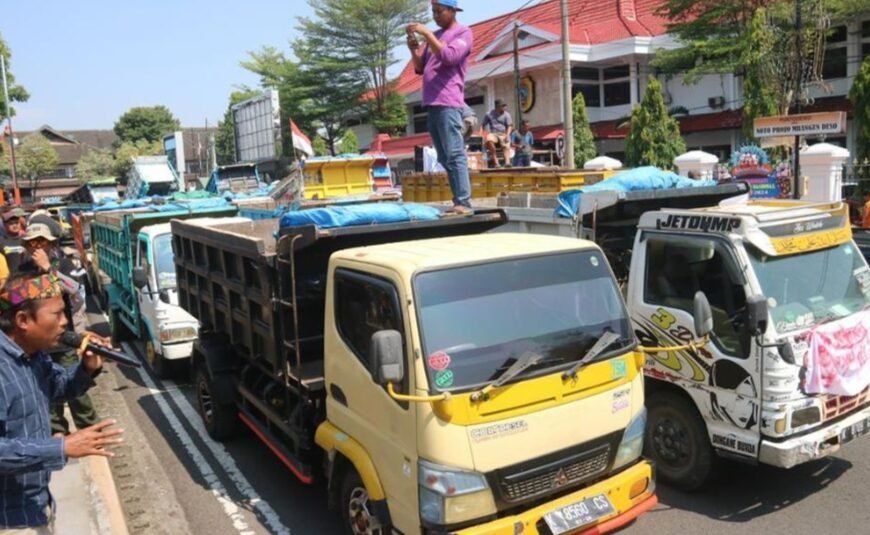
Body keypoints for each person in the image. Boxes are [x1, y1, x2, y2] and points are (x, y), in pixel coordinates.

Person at [0, 272, 123, 532]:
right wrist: (61, 447)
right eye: (56, 315)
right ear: (23, 320)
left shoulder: (34, 355)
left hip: (37, 504)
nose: (65, 322)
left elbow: (59, 387)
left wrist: (87, 368)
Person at [17, 223, 97, 436]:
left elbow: (74, 289)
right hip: (35, 342)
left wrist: (48, 270)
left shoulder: (62, 264)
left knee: (76, 388)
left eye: (42, 242)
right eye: (32, 243)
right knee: (47, 390)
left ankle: (89, 428)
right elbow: (14, 299)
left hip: (62, 339)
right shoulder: (22, 271)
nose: (37, 247)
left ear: (51, 244)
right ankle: (58, 433)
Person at [407, 0, 474, 214]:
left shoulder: (463, 33)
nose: (435, 15)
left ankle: (463, 201)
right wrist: (414, 47)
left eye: (439, 11)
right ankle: (459, 200)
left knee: (454, 153)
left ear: (452, 11)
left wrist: (427, 35)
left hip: (448, 101)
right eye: (433, 12)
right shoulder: (435, 36)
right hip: (433, 103)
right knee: (444, 156)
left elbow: (449, 57)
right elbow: (419, 67)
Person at [483, 99, 513, 168]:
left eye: (505, 106)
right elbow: (483, 124)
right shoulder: (489, 114)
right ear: (497, 106)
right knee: (489, 140)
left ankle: (507, 163)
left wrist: (507, 135)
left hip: (503, 133)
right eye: (502, 106)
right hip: (493, 133)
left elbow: (510, 126)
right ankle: (496, 163)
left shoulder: (507, 114)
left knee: (506, 144)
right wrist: (482, 133)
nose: (504, 107)